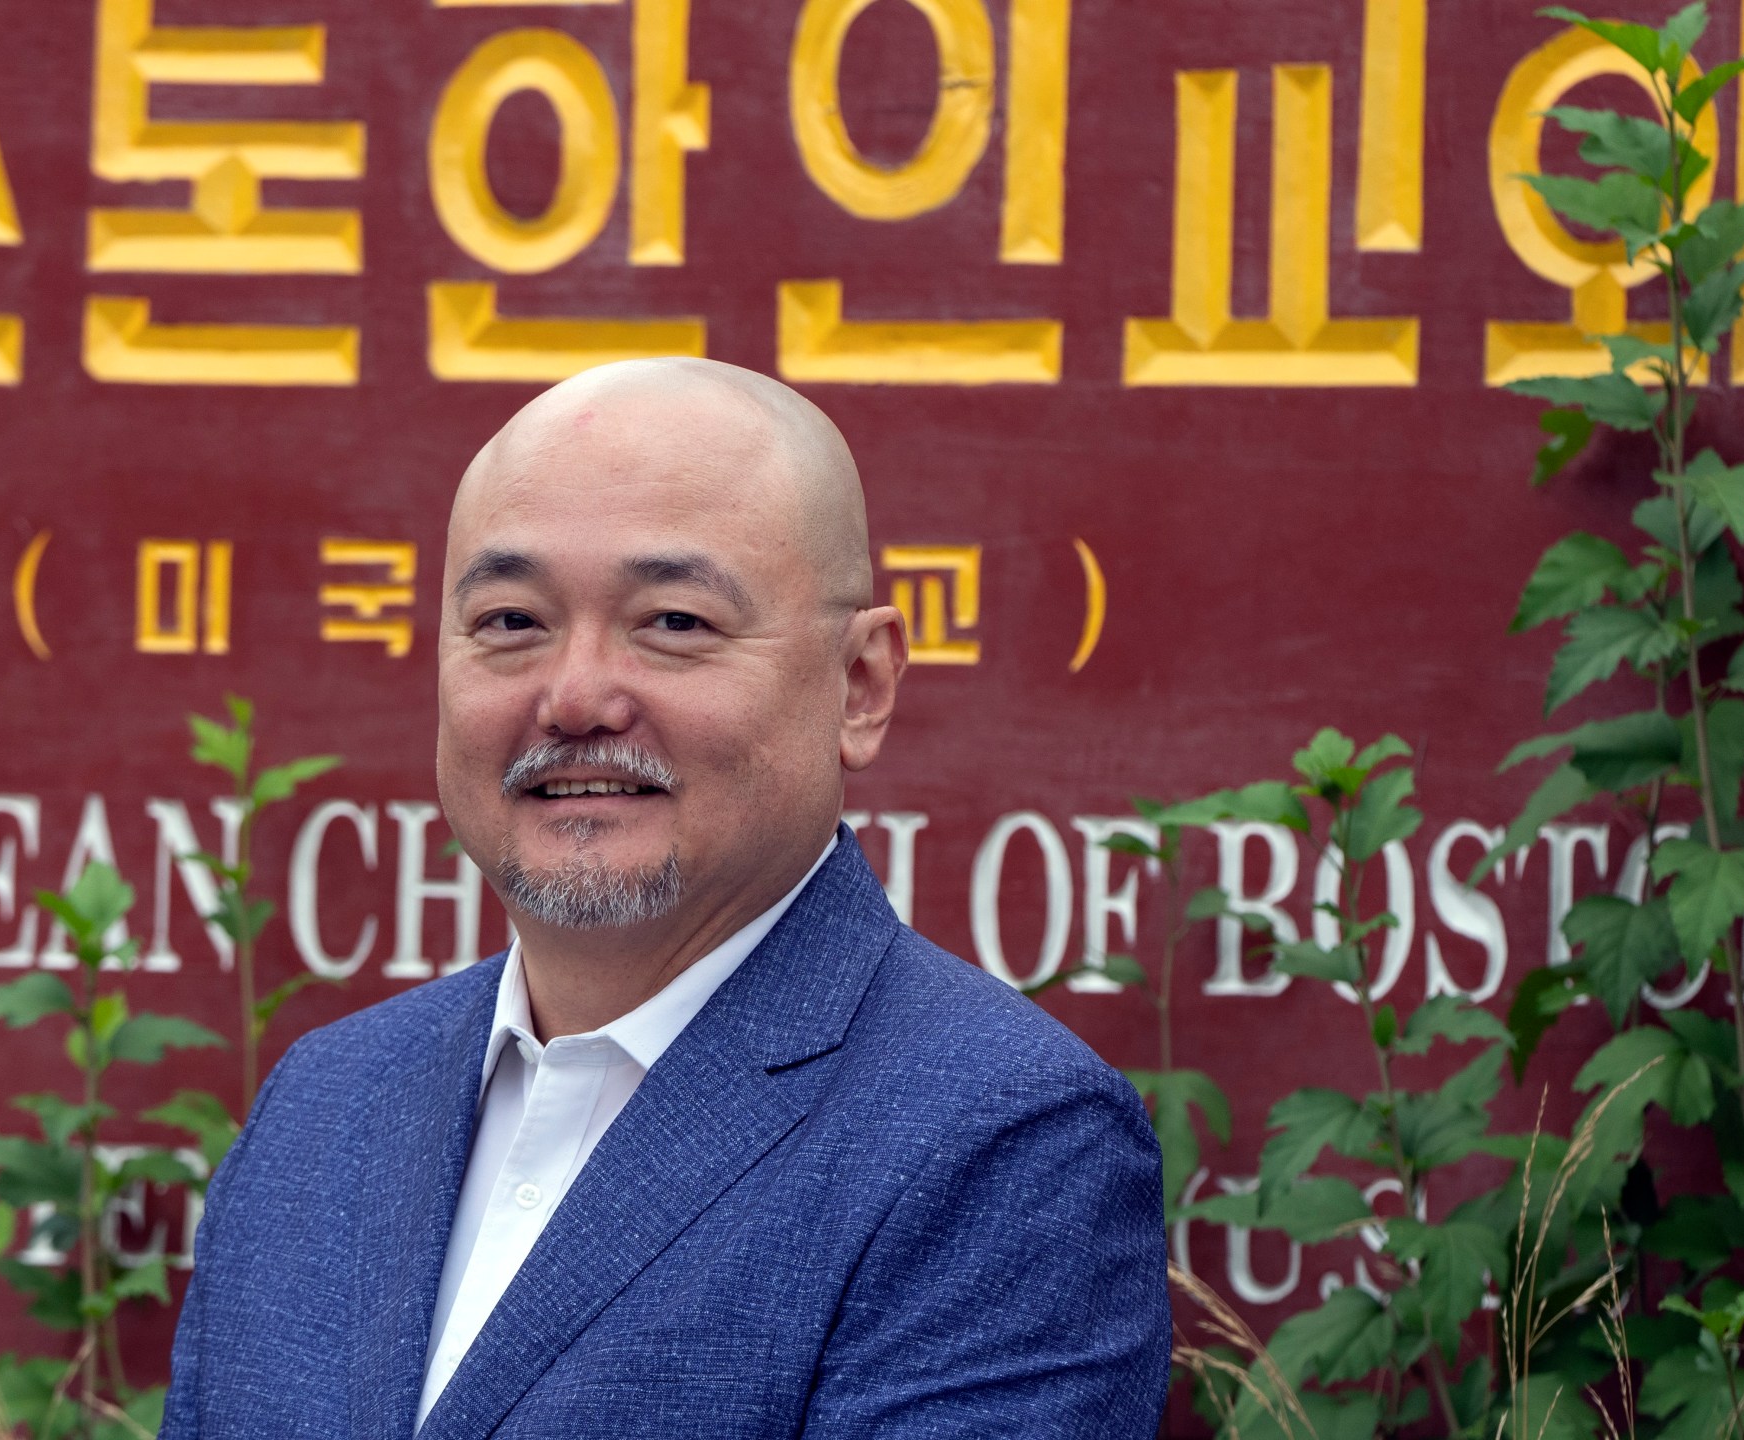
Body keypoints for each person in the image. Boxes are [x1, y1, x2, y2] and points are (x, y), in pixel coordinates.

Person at [157, 358, 1171, 1438]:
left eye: (674, 622)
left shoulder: (1001, 1140)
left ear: (861, 686)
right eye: (510, 621)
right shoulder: (326, 1105)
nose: (576, 696)